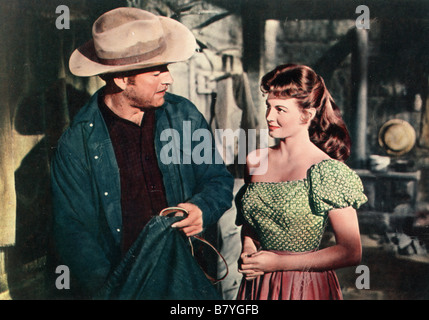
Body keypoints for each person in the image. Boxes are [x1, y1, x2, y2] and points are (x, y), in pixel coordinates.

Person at [50, 7, 234, 297]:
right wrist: (111, 291)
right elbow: (73, 234)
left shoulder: (184, 116)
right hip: (126, 287)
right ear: (122, 79)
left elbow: (218, 180)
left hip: (189, 279)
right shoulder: (76, 145)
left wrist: (202, 208)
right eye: (157, 70)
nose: (168, 79)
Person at [235, 64, 368, 300]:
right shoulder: (255, 160)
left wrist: (278, 263)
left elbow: (351, 252)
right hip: (259, 284)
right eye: (268, 106)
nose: (269, 116)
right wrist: (248, 248)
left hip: (304, 285)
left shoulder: (328, 171)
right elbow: (251, 223)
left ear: (307, 114)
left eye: (280, 109)